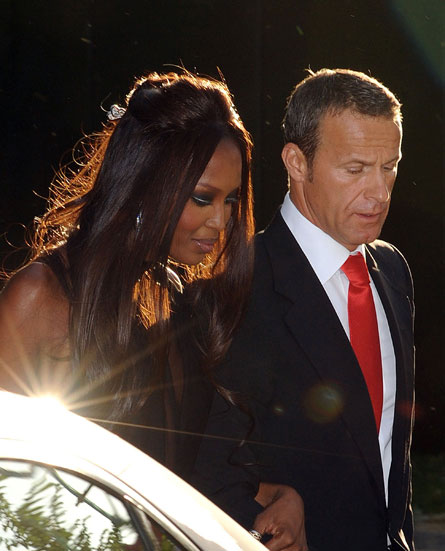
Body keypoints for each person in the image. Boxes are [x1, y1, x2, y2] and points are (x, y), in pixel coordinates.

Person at [0, 70, 306, 550]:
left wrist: (280, 497)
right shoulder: (41, 296)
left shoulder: (174, 297)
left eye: (230, 200)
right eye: (202, 198)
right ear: (145, 184)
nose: (221, 221)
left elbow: (169, 479)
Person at [192, 68, 415, 551]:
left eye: (390, 166)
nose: (379, 192)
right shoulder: (234, 287)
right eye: (356, 169)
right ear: (296, 162)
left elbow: (388, 456)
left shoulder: (392, 271)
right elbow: (207, 472)